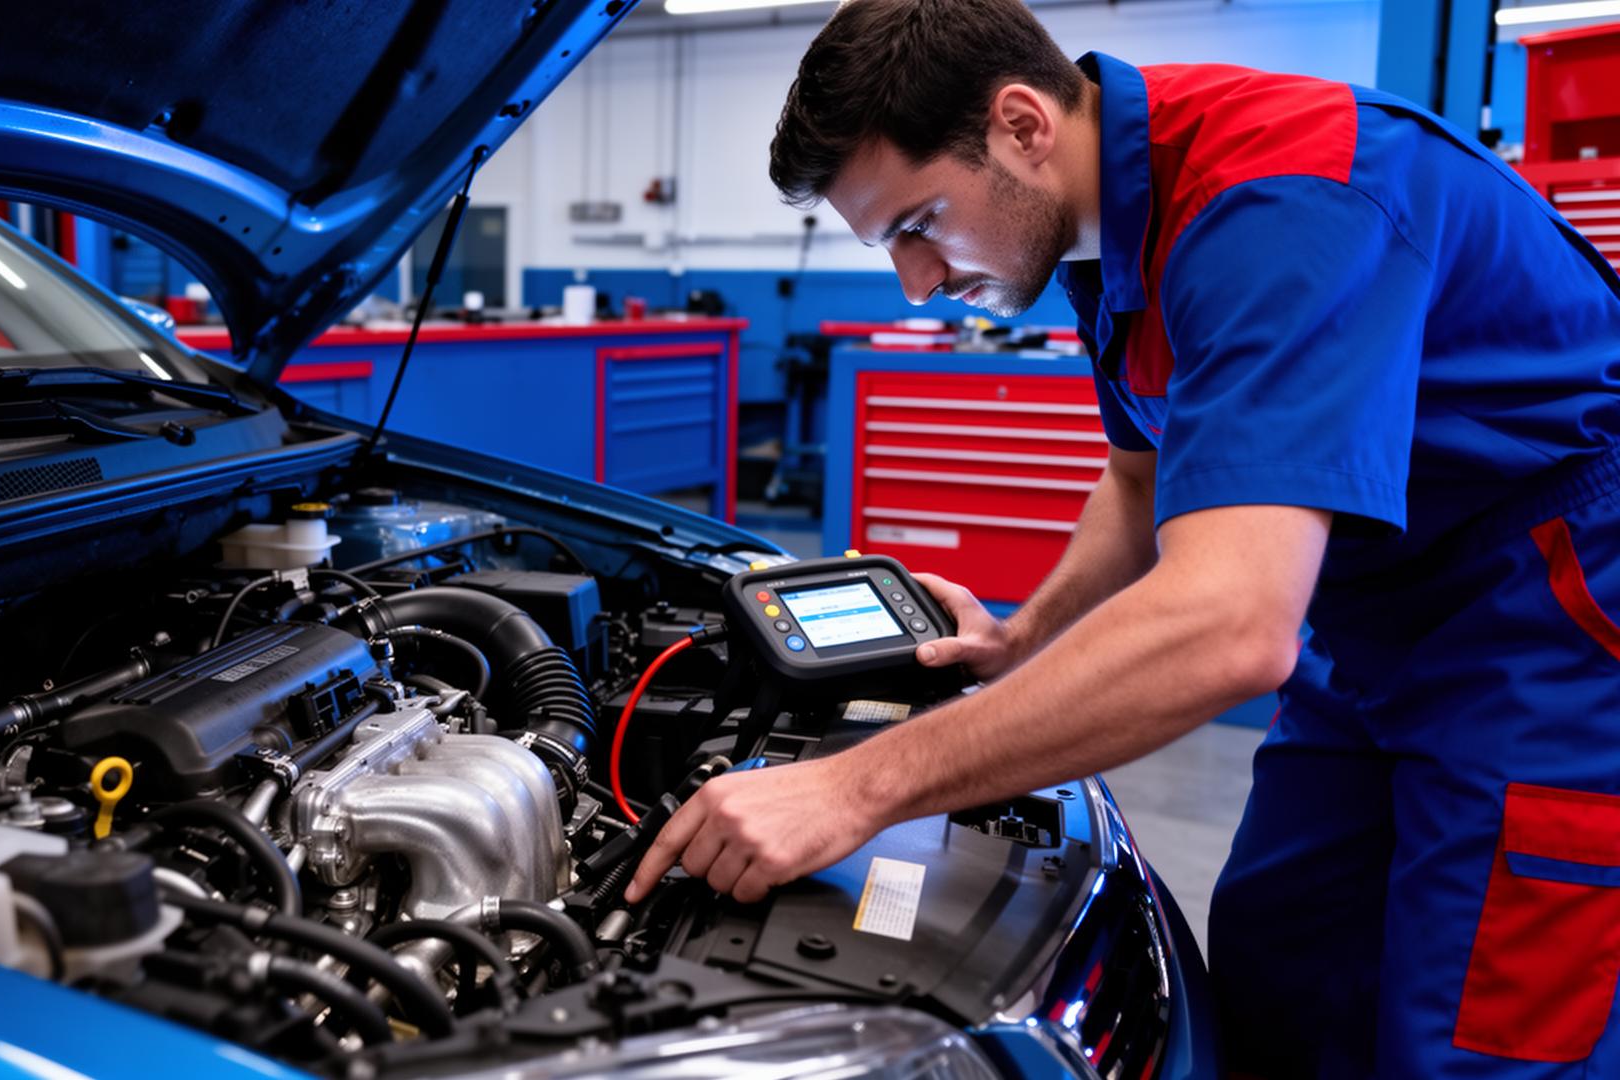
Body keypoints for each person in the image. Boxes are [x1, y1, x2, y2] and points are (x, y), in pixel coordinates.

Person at [622, 0, 1620, 1074]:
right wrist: (1026, 634)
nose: (916, 285)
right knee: (1284, 971)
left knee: (1485, 1033)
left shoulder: (1278, 200)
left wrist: (855, 785)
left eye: (918, 225)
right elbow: (1143, 473)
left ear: (1020, 125)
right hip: (1378, 620)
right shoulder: (1107, 220)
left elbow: (1231, 629)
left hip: (1549, 621)